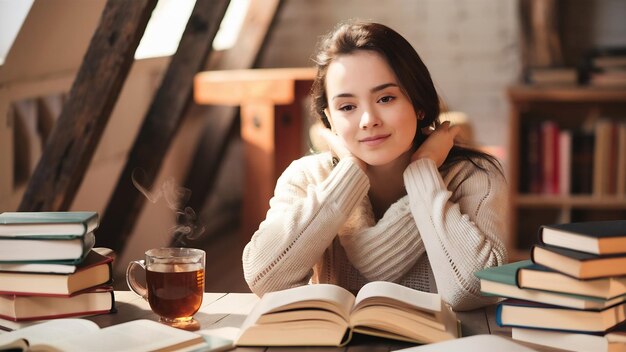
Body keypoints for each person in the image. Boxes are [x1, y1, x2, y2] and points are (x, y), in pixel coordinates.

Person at [242, 21, 508, 311]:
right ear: (329, 119)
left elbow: (472, 289)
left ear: (418, 104)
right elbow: (264, 278)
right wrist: (349, 174)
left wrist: (424, 171)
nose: (368, 119)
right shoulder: (308, 177)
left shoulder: (473, 175)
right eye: (347, 107)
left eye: (386, 98)